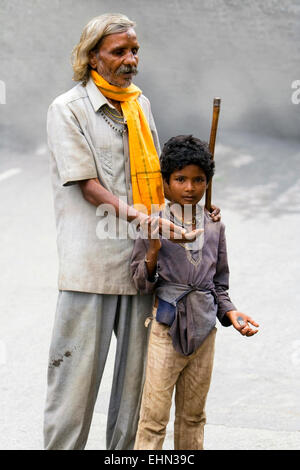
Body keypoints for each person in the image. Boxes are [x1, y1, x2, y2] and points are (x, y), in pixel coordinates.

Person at [44, 13, 221, 451]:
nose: (130, 60)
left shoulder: (139, 104)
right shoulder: (69, 109)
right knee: (74, 389)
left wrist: (195, 205)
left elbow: (163, 180)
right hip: (92, 270)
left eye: (134, 50)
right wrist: (145, 220)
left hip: (147, 264)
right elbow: (88, 186)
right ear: (92, 57)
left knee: (135, 393)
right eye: (118, 51)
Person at [131, 135, 259, 450]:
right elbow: (139, 282)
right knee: (153, 418)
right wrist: (153, 250)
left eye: (198, 180)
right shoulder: (153, 223)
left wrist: (232, 313)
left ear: (207, 182)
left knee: (193, 417)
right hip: (166, 327)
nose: (189, 188)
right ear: (165, 182)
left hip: (204, 331)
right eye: (180, 179)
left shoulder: (214, 226)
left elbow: (218, 283)